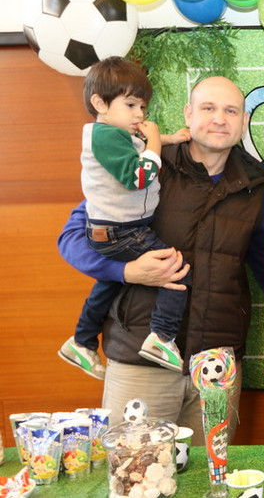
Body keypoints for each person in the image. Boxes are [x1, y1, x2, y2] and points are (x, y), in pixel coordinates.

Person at [58, 76, 264, 442]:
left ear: (244, 121)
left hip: (215, 366)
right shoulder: (147, 164)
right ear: (188, 114)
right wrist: (126, 271)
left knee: (213, 471)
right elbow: (73, 238)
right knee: (134, 469)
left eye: (231, 111)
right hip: (139, 360)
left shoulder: (252, 184)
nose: (219, 119)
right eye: (208, 108)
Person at [58, 57, 192, 380]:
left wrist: (170, 139)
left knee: (108, 282)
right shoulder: (105, 137)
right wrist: (156, 141)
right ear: (99, 104)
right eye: (131, 105)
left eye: (142, 107)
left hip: (113, 231)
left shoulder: (114, 136)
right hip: (122, 231)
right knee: (176, 270)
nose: (139, 115)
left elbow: (139, 147)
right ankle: (161, 337)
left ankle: (81, 341)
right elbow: (139, 176)